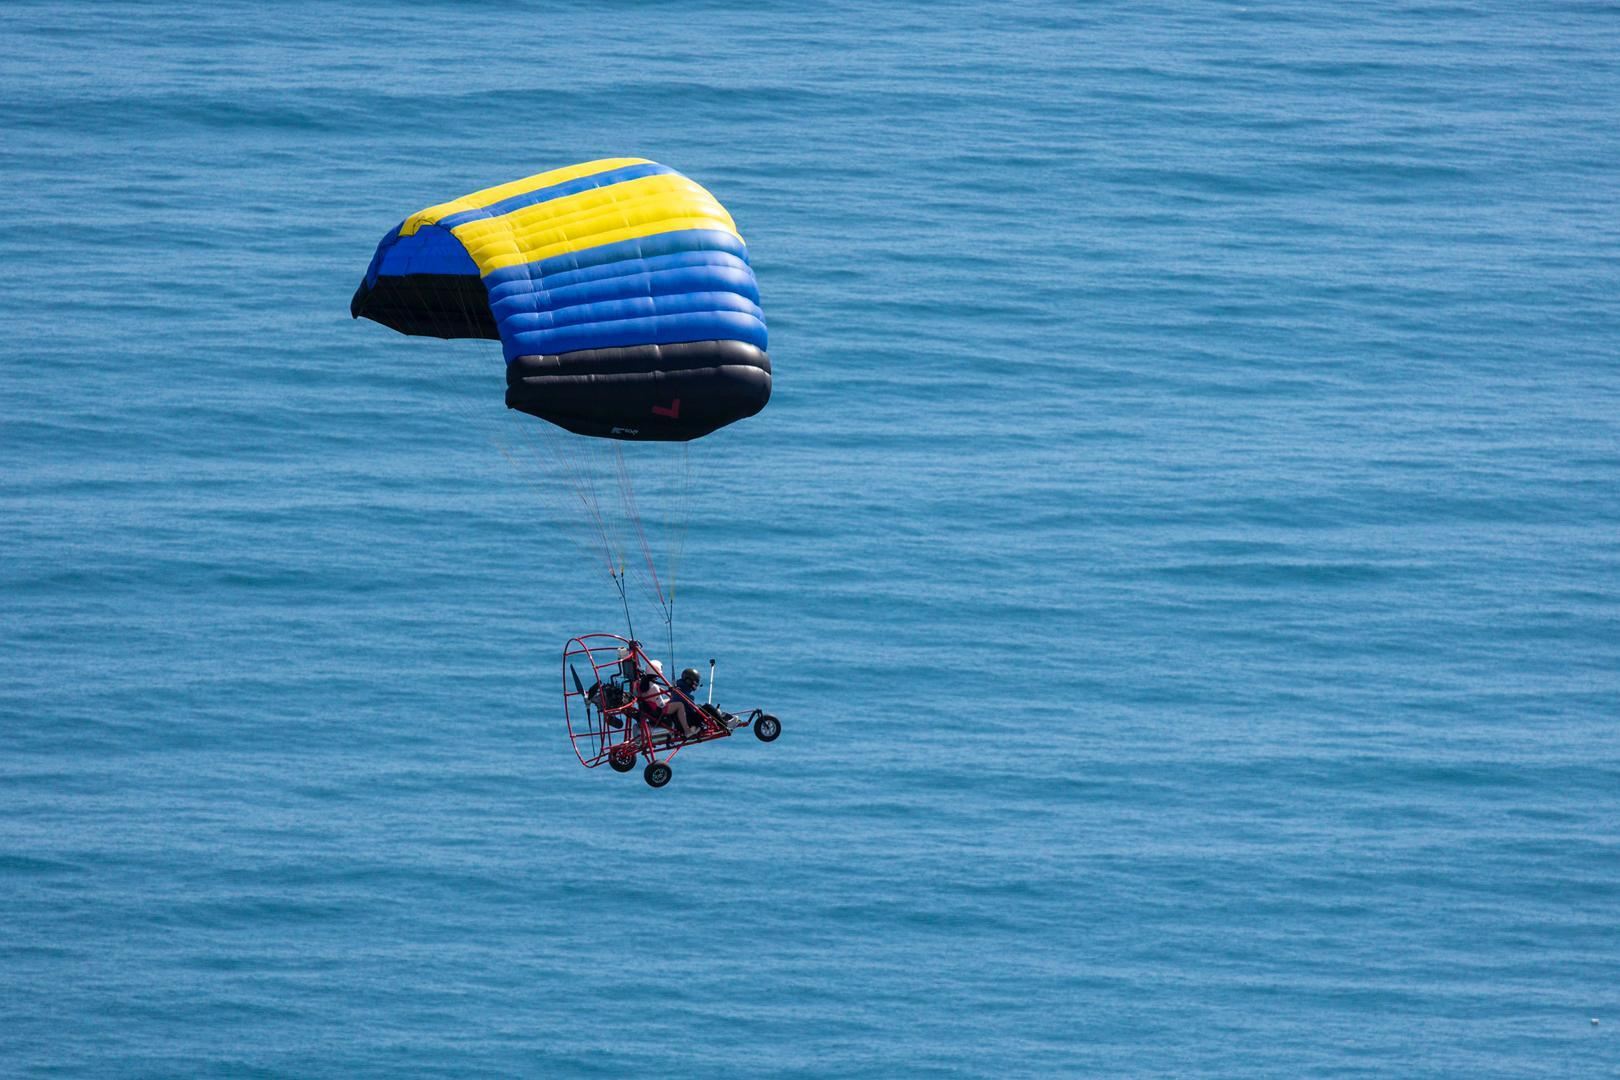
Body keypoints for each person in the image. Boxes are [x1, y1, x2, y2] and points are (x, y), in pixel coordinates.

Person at [658, 666, 706, 738]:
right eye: (695, 682)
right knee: (706, 707)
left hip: (677, 720)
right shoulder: (684, 695)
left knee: (699, 707)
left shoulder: (677, 689)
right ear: (689, 681)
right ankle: (720, 722)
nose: (696, 685)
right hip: (684, 723)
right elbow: (692, 710)